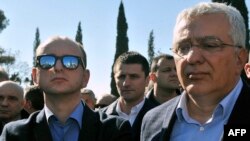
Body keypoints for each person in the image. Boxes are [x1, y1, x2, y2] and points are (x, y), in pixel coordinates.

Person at [141, 2, 250, 141]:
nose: (192, 58)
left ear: (239, 59)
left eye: (210, 45)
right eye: (183, 48)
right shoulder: (152, 121)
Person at [1, 36, 132, 141]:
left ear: (85, 77)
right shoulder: (14, 134)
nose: (58, 67)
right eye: (47, 61)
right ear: (35, 76)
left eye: (71, 62)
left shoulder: (115, 130)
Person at [101, 51, 155, 141]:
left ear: (147, 80)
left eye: (133, 76)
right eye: (121, 77)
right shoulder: (100, 118)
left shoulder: (162, 117)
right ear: (115, 79)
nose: (126, 83)